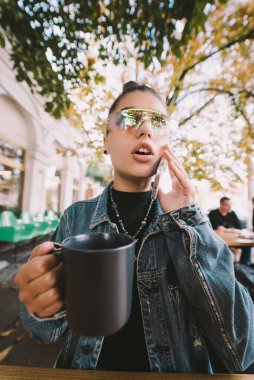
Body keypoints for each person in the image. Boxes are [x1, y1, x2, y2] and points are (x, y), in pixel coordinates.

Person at [14, 82, 254, 373]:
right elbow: (45, 331)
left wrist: (189, 219)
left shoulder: (187, 222)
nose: (145, 130)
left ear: (166, 143)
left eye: (157, 121)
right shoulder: (75, 218)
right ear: (105, 139)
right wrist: (40, 306)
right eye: (129, 118)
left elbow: (243, 347)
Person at [208, 197, 251, 265]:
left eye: (230, 205)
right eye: (227, 205)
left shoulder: (232, 213)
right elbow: (213, 227)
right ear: (221, 204)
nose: (230, 207)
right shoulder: (213, 213)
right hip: (219, 240)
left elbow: (239, 226)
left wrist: (230, 229)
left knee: (247, 246)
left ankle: (244, 267)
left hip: (233, 238)